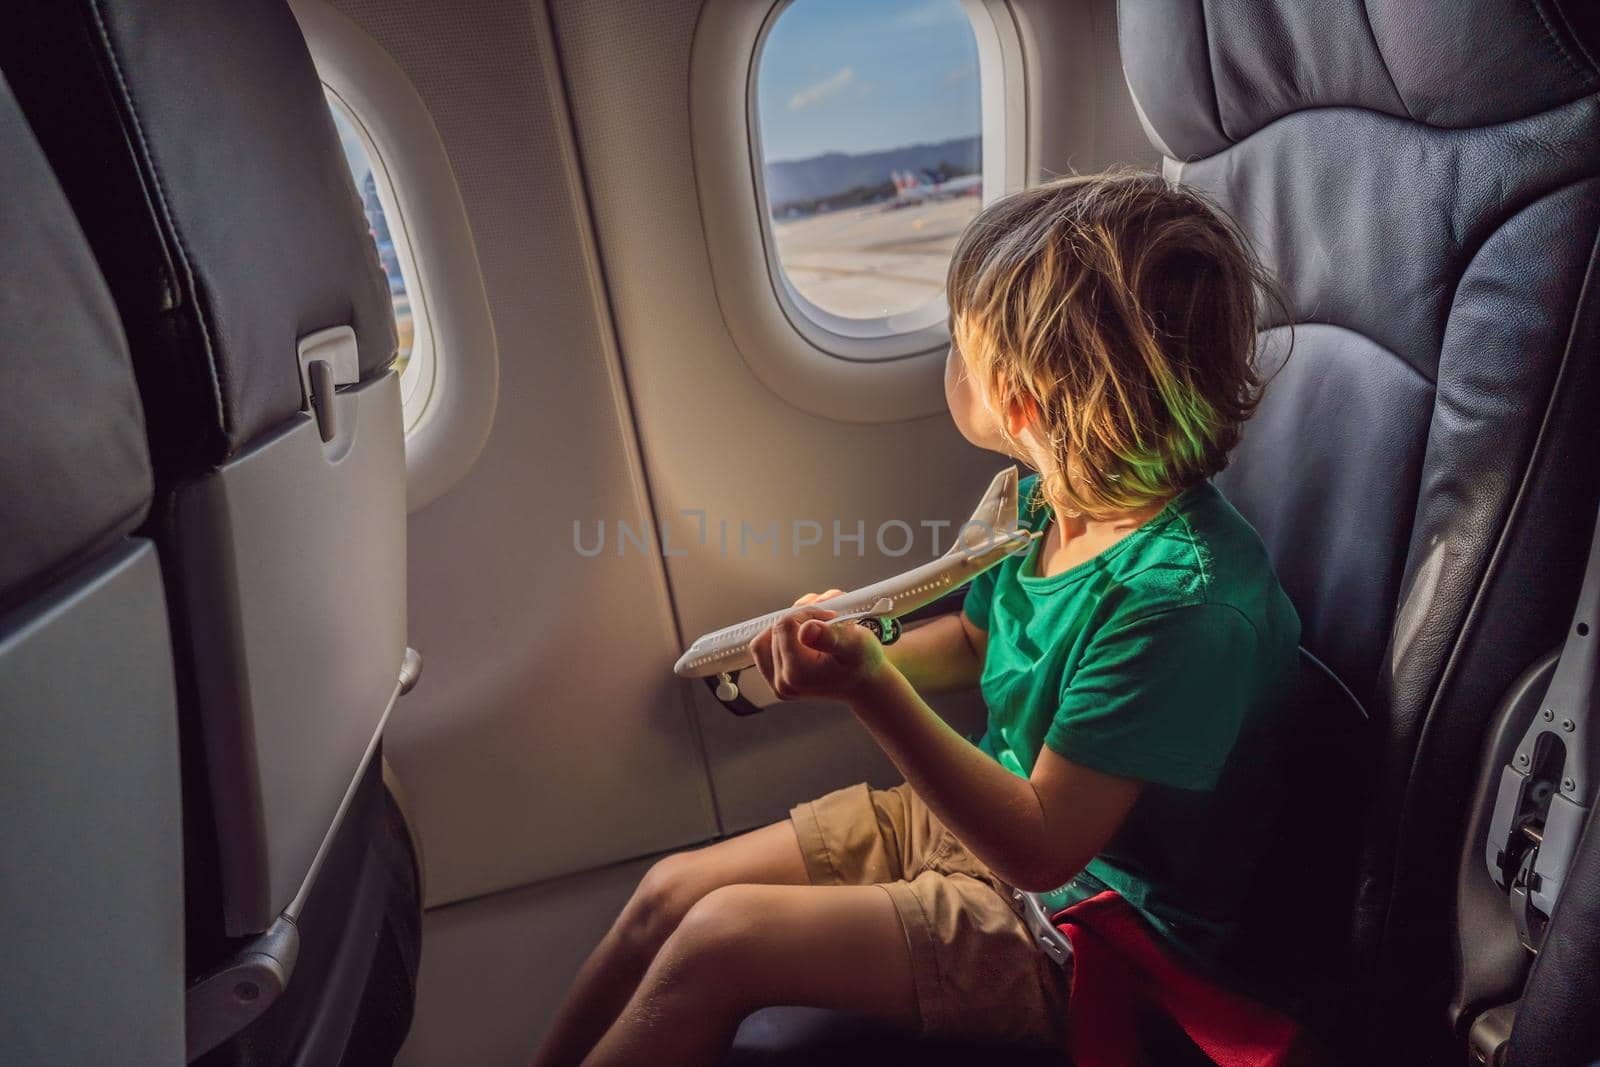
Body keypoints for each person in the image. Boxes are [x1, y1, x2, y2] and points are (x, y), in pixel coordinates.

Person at [529, 171, 1301, 1066]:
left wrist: (867, 690)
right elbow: (979, 640)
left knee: (720, 938)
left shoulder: (1177, 604)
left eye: (960, 346)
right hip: (998, 822)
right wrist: (862, 646)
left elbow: (1042, 846)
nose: (950, 361)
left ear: (1023, 403)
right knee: (670, 894)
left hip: (1092, 927)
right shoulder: (1051, 500)